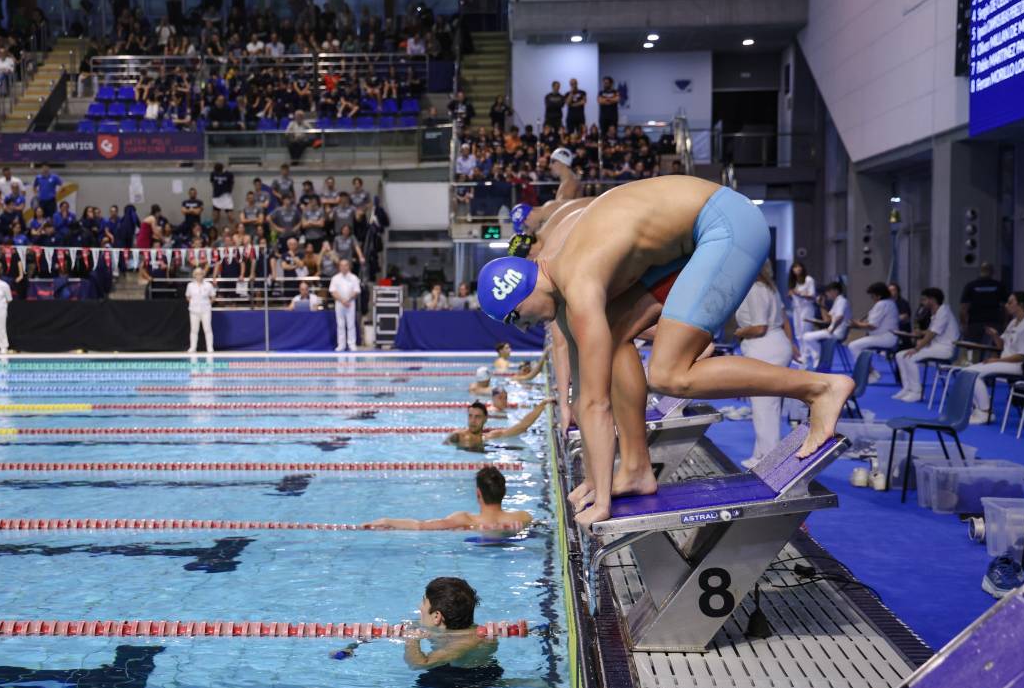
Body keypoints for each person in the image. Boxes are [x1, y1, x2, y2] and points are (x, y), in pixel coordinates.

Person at [475, 177, 854, 529]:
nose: (524, 329)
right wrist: (592, 482)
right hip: (691, 240)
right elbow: (581, 391)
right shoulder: (559, 278)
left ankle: (819, 388)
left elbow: (595, 404)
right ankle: (637, 468)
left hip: (729, 227)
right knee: (616, 335)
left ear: (524, 294)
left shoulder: (580, 283)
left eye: (518, 319)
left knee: (669, 375)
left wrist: (603, 502)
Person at [403, 577, 501, 688]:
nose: (419, 606)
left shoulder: (467, 640)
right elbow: (404, 626)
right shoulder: (440, 626)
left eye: (423, 602)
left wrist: (412, 640)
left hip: (472, 677)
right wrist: (359, 642)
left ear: (437, 616)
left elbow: (419, 664)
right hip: (449, 667)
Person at [733, 261, 798, 468]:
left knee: (763, 406)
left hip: (765, 346)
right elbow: (784, 318)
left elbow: (759, 327)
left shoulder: (754, 289)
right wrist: (790, 343)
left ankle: (770, 460)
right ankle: (762, 454)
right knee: (769, 406)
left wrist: (740, 332)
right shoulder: (770, 287)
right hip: (776, 344)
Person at [366, 466, 531, 530]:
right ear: (503, 491)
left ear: (478, 493)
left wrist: (387, 520)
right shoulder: (523, 517)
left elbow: (420, 526)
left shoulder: (464, 520)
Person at [967, 291, 1024, 423]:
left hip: (1017, 365)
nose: (1006, 305)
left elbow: (1023, 356)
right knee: (966, 371)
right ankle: (979, 408)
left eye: (1010, 302)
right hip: (1005, 362)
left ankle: (985, 412)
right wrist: (995, 335)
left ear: (1021, 305)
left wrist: (997, 360)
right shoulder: (1013, 322)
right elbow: (1002, 344)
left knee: (974, 374)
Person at [894, 287, 961, 402]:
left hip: (946, 349)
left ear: (932, 300)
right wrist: (921, 333)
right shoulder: (936, 312)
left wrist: (917, 348)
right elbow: (932, 331)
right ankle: (907, 388)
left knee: (910, 357)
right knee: (899, 355)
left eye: (924, 300)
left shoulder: (943, 312)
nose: (922, 302)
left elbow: (932, 334)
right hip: (936, 346)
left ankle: (917, 392)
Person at [848, 282, 900, 382]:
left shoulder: (882, 304)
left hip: (886, 338)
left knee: (853, 346)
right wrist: (859, 324)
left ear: (879, 295)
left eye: (872, 296)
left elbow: (872, 326)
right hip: (884, 336)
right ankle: (870, 372)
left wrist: (856, 325)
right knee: (857, 346)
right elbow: (870, 323)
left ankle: (871, 373)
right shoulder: (889, 303)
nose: (872, 298)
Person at [799, 281, 851, 371]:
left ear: (835, 291)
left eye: (828, 291)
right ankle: (816, 359)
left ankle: (817, 359)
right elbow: (827, 319)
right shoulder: (837, 301)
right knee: (807, 337)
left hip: (837, 333)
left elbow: (840, 317)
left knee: (806, 337)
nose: (827, 294)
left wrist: (832, 329)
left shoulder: (842, 301)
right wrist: (821, 305)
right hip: (832, 331)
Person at [960, 262, 1010, 343]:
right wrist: (1006, 323)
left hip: (975, 324)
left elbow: (963, 308)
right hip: (994, 323)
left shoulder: (971, 285)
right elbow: (1006, 307)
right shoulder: (999, 286)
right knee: (994, 349)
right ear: (992, 272)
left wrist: (964, 325)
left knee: (974, 350)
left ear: (980, 271)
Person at [329, 257, 361, 351]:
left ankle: (352, 344)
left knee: (351, 324)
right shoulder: (335, 278)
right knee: (340, 324)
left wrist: (348, 299)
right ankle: (341, 345)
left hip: (350, 303)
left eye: (345, 265)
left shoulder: (354, 278)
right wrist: (342, 300)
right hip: (339, 303)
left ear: (349, 266)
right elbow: (333, 291)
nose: (343, 267)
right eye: (341, 265)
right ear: (339, 267)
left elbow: (356, 290)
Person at [186, 267, 216, 353]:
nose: (199, 276)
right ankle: (193, 347)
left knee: (207, 329)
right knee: (194, 330)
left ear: (203, 274)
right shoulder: (190, 285)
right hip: (194, 311)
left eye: (200, 274)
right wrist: (194, 303)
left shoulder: (208, 285)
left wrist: (207, 304)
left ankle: (210, 347)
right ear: (194, 275)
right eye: (197, 274)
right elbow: (188, 297)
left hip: (205, 310)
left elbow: (213, 297)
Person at [788, 261, 817, 338]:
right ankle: (802, 350)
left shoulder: (809, 279)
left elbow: (812, 296)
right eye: (795, 267)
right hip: (796, 308)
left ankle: (809, 350)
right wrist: (790, 295)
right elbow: (793, 296)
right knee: (798, 333)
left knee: (805, 331)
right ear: (792, 270)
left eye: (799, 266)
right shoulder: (794, 282)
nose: (797, 269)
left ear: (802, 268)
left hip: (806, 308)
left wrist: (800, 294)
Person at [209, 163, 235, 228]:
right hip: (217, 197)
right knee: (215, 217)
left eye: (218, 170)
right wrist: (216, 191)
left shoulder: (229, 174)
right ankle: (215, 233)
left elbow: (232, 184)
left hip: (226, 197)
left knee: (230, 217)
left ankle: (234, 231)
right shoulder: (213, 174)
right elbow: (212, 183)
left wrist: (228, 192)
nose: (217, 172)